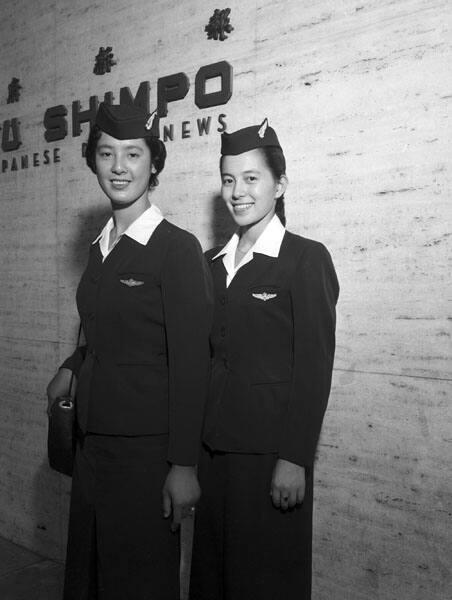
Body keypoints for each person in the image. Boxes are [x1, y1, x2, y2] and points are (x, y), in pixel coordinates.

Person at [46, 102, 211, 600]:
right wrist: (72, 366)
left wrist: (183, 466)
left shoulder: (176, 249)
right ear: (92, 161)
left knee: (138, 582)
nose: (119, 167)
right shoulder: (101, 247)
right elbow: (107, 331)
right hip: (92, 445)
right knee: (90, 577)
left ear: (153, 163)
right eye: (106, 153)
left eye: (133, 154)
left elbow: (191, 362)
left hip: (146, 456)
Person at [189, 119, 339, 600]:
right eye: (229, 180)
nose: (238, 192)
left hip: (271, 459)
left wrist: (294, 459)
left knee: (267, 583)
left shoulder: (305, 259)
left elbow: (314, 368)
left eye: (252, 178)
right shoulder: (212, 264)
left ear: (280, 185)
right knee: (214, 579)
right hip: (212, 454)